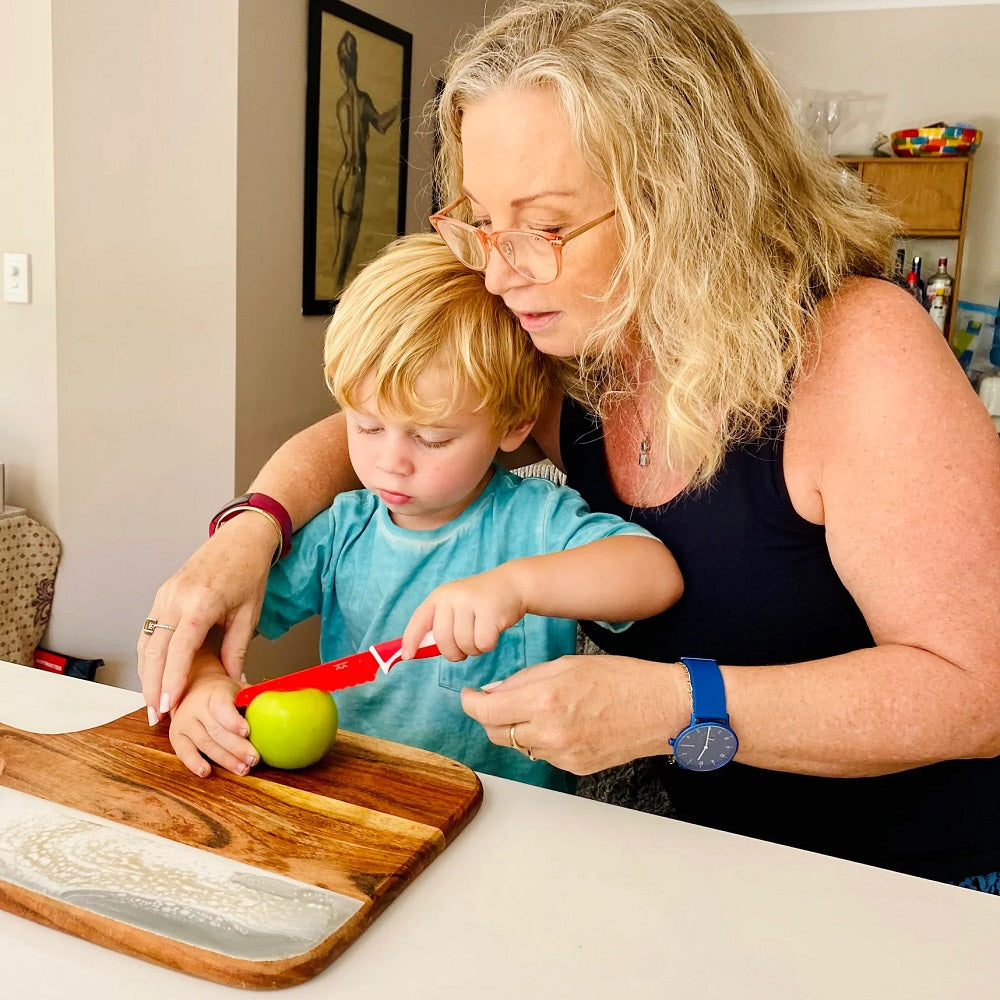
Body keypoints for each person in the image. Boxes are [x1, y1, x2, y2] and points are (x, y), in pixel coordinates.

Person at [140, 0, 1000, 888]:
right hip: (715, 858)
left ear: (687, 199)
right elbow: (388, 425)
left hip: (919, 886)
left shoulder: (855, 350)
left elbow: (980, 695)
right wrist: (251, 530)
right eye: (479, 218)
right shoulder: (581, 350)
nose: (499, 269)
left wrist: (680, 704)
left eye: (544, 226)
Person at [164, 232, 683, 791]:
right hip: (365, 803)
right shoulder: (341, 530)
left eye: (432, 439)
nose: (391, 463)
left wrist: (518, 586)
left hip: (518, 815)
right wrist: (204, 681)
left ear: (513, 425)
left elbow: (654, 575)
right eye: (365, 426)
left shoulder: (536, 520)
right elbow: (217, 625)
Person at [331, 30, 400, 293]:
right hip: (355, 177)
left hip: (340, 176)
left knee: (339, 251)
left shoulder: (340, 104)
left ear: (340, 65)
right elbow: (382, 125)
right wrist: (400, 106)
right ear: (355, 62)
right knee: (346, 254)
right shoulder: (361, 100)